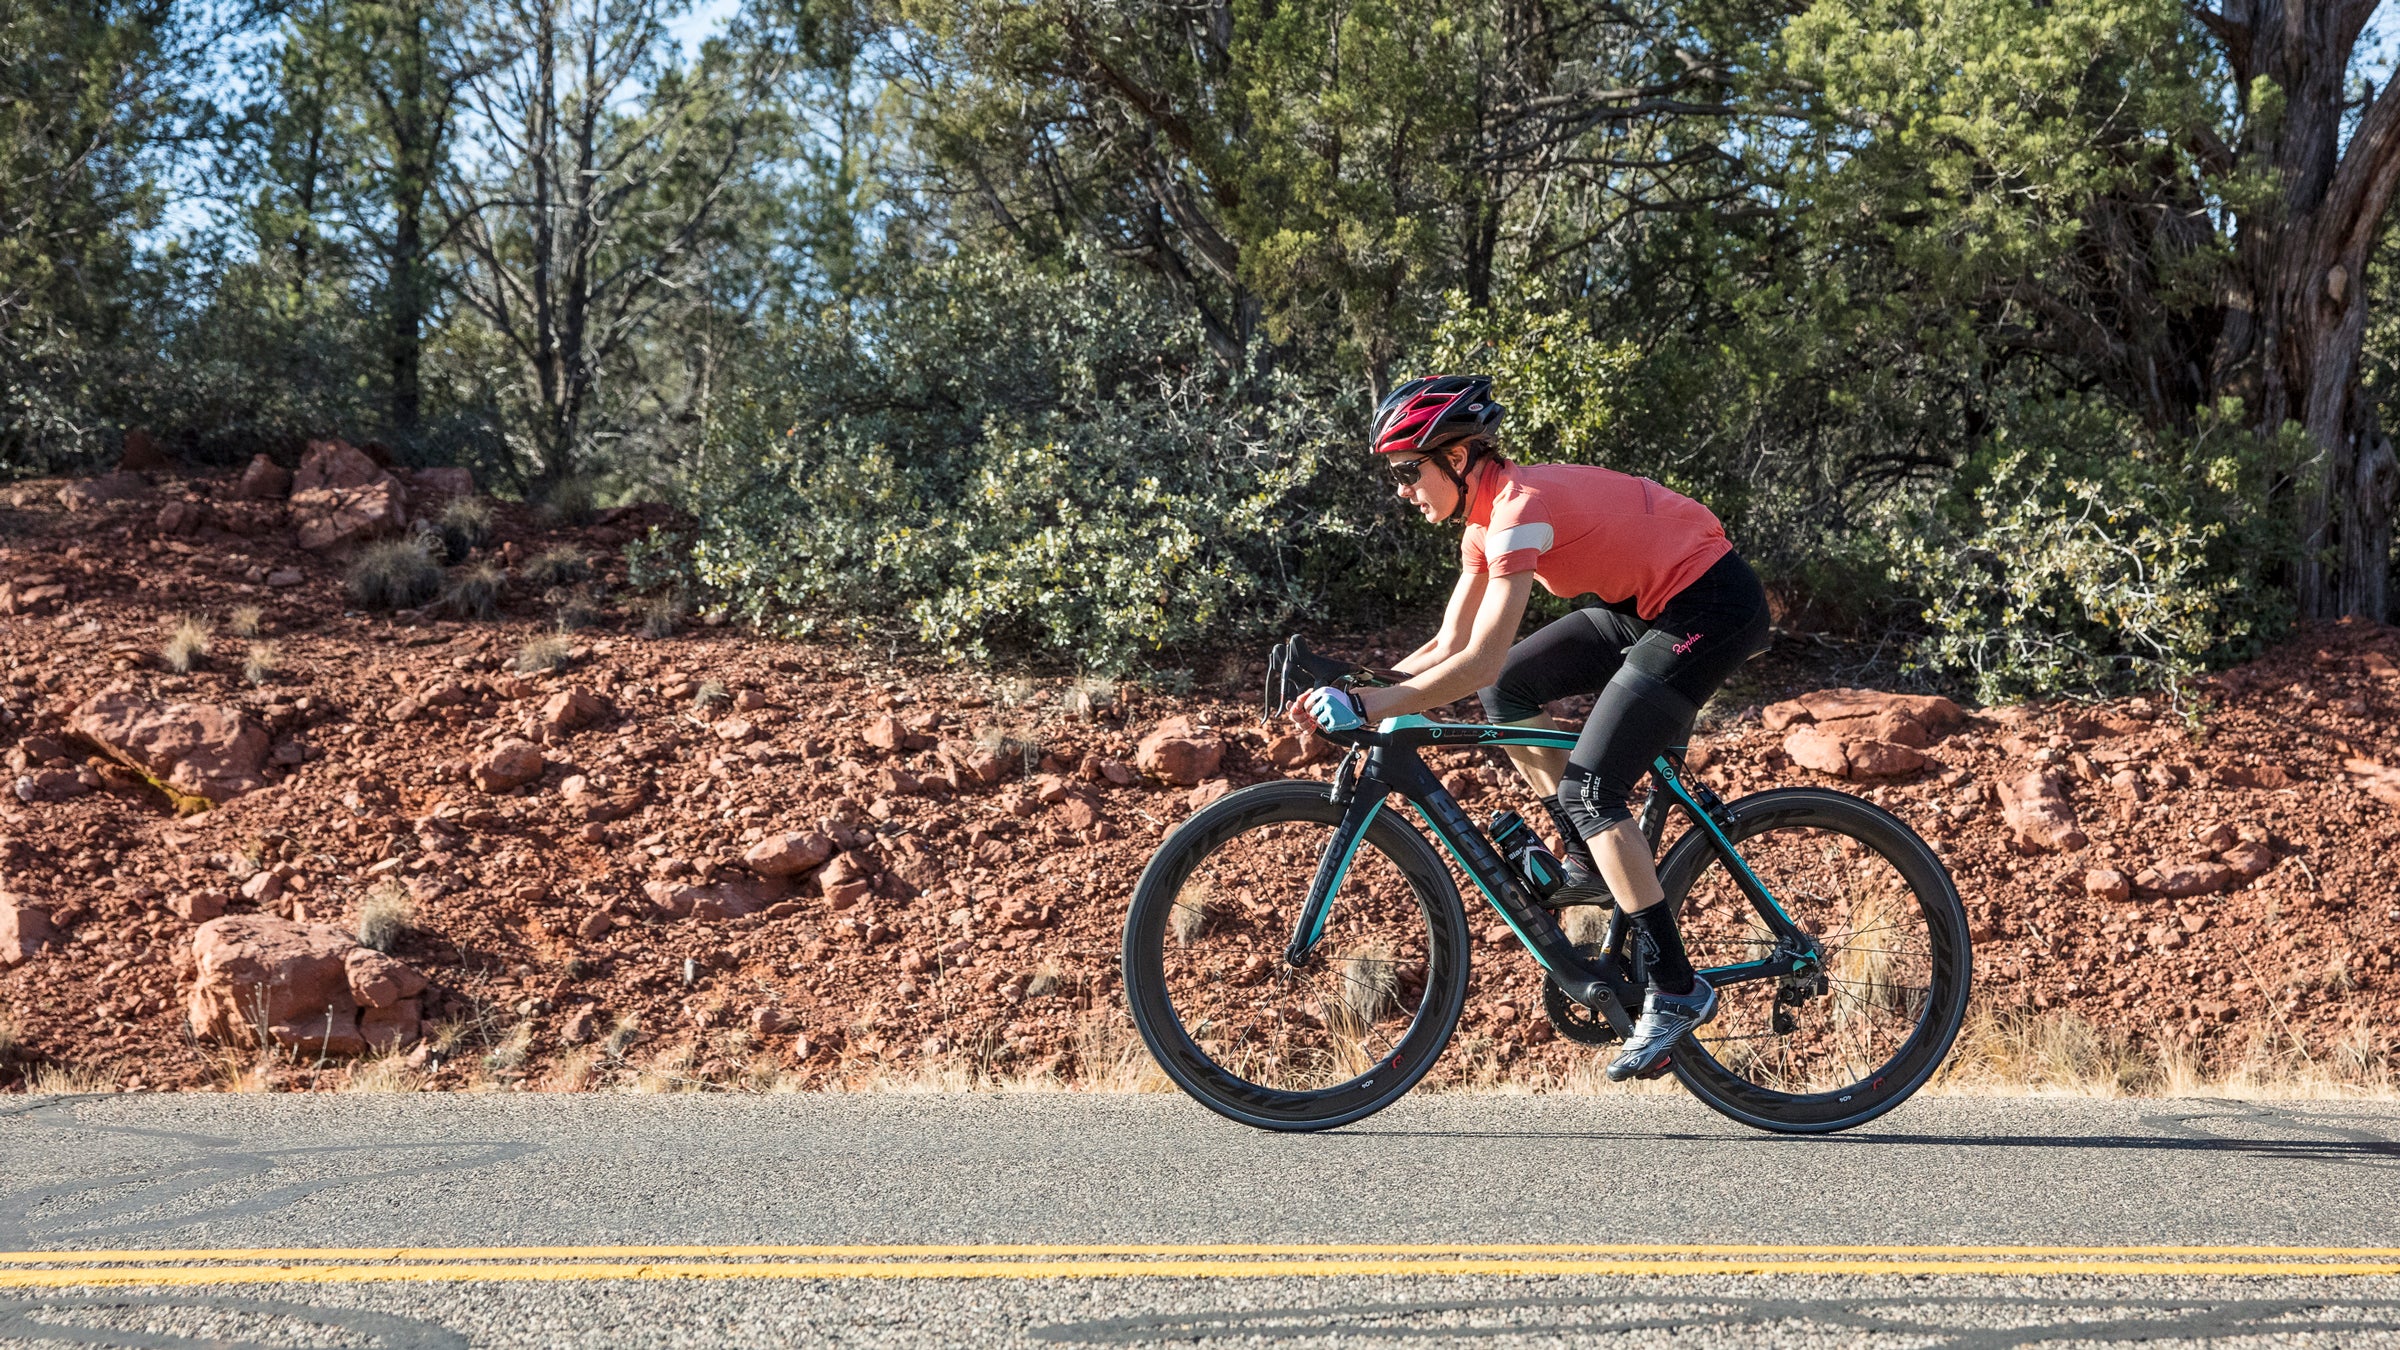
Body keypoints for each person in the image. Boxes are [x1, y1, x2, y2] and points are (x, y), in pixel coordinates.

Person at [1286, 374, 1771, 1081]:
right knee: (1514, 691)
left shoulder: (1518, 510)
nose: (1401, 489)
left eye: (1406, 470)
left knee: (1592, 790)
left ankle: (1674, 989)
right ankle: (1584, 862)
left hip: (1709, 608)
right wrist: (1357, 688)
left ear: (1456, 456)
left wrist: (1371, 709)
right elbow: (1451, 645)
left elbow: (1474, 660)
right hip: (1646, 605)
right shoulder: (1483, 523)